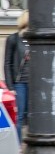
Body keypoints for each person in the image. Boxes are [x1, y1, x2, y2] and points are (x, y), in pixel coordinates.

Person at [4, 10, 29, 140]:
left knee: (33, 116)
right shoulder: (13, 39)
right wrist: (10, 87)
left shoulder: (36, 39)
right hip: (19, 84)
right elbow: (7, 63)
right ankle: (17, 145)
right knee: (18, 116)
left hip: (34, 83)